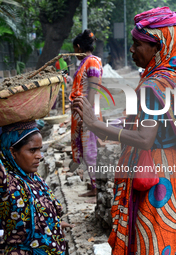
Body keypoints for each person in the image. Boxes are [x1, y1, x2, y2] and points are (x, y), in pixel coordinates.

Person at [72, 7, 176, 255]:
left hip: (157, 180)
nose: (132, 49)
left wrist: (95, 125)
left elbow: (145, 138)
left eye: (137, 44)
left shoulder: (155, 84)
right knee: (174, 243)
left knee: (154, 242)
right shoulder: (175, 76)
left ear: (157, 47)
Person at [0, 99, 73, 254]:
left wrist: (53, 224)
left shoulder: (34, 179)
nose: (40, 156)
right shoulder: (5, 185)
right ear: (12, 152)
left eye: (40, 149)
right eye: (32, 150)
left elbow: (37, 214)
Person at [69, 29, 103, 200]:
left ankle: (96, 188)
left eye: (75, 50)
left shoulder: (92, 62)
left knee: (90, 150)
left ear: (77, 47)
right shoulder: (85, 63)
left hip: (87, 112)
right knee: (84, 148)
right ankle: (92, 185)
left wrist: (86, 112)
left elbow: (93, 88)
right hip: (82, 111)